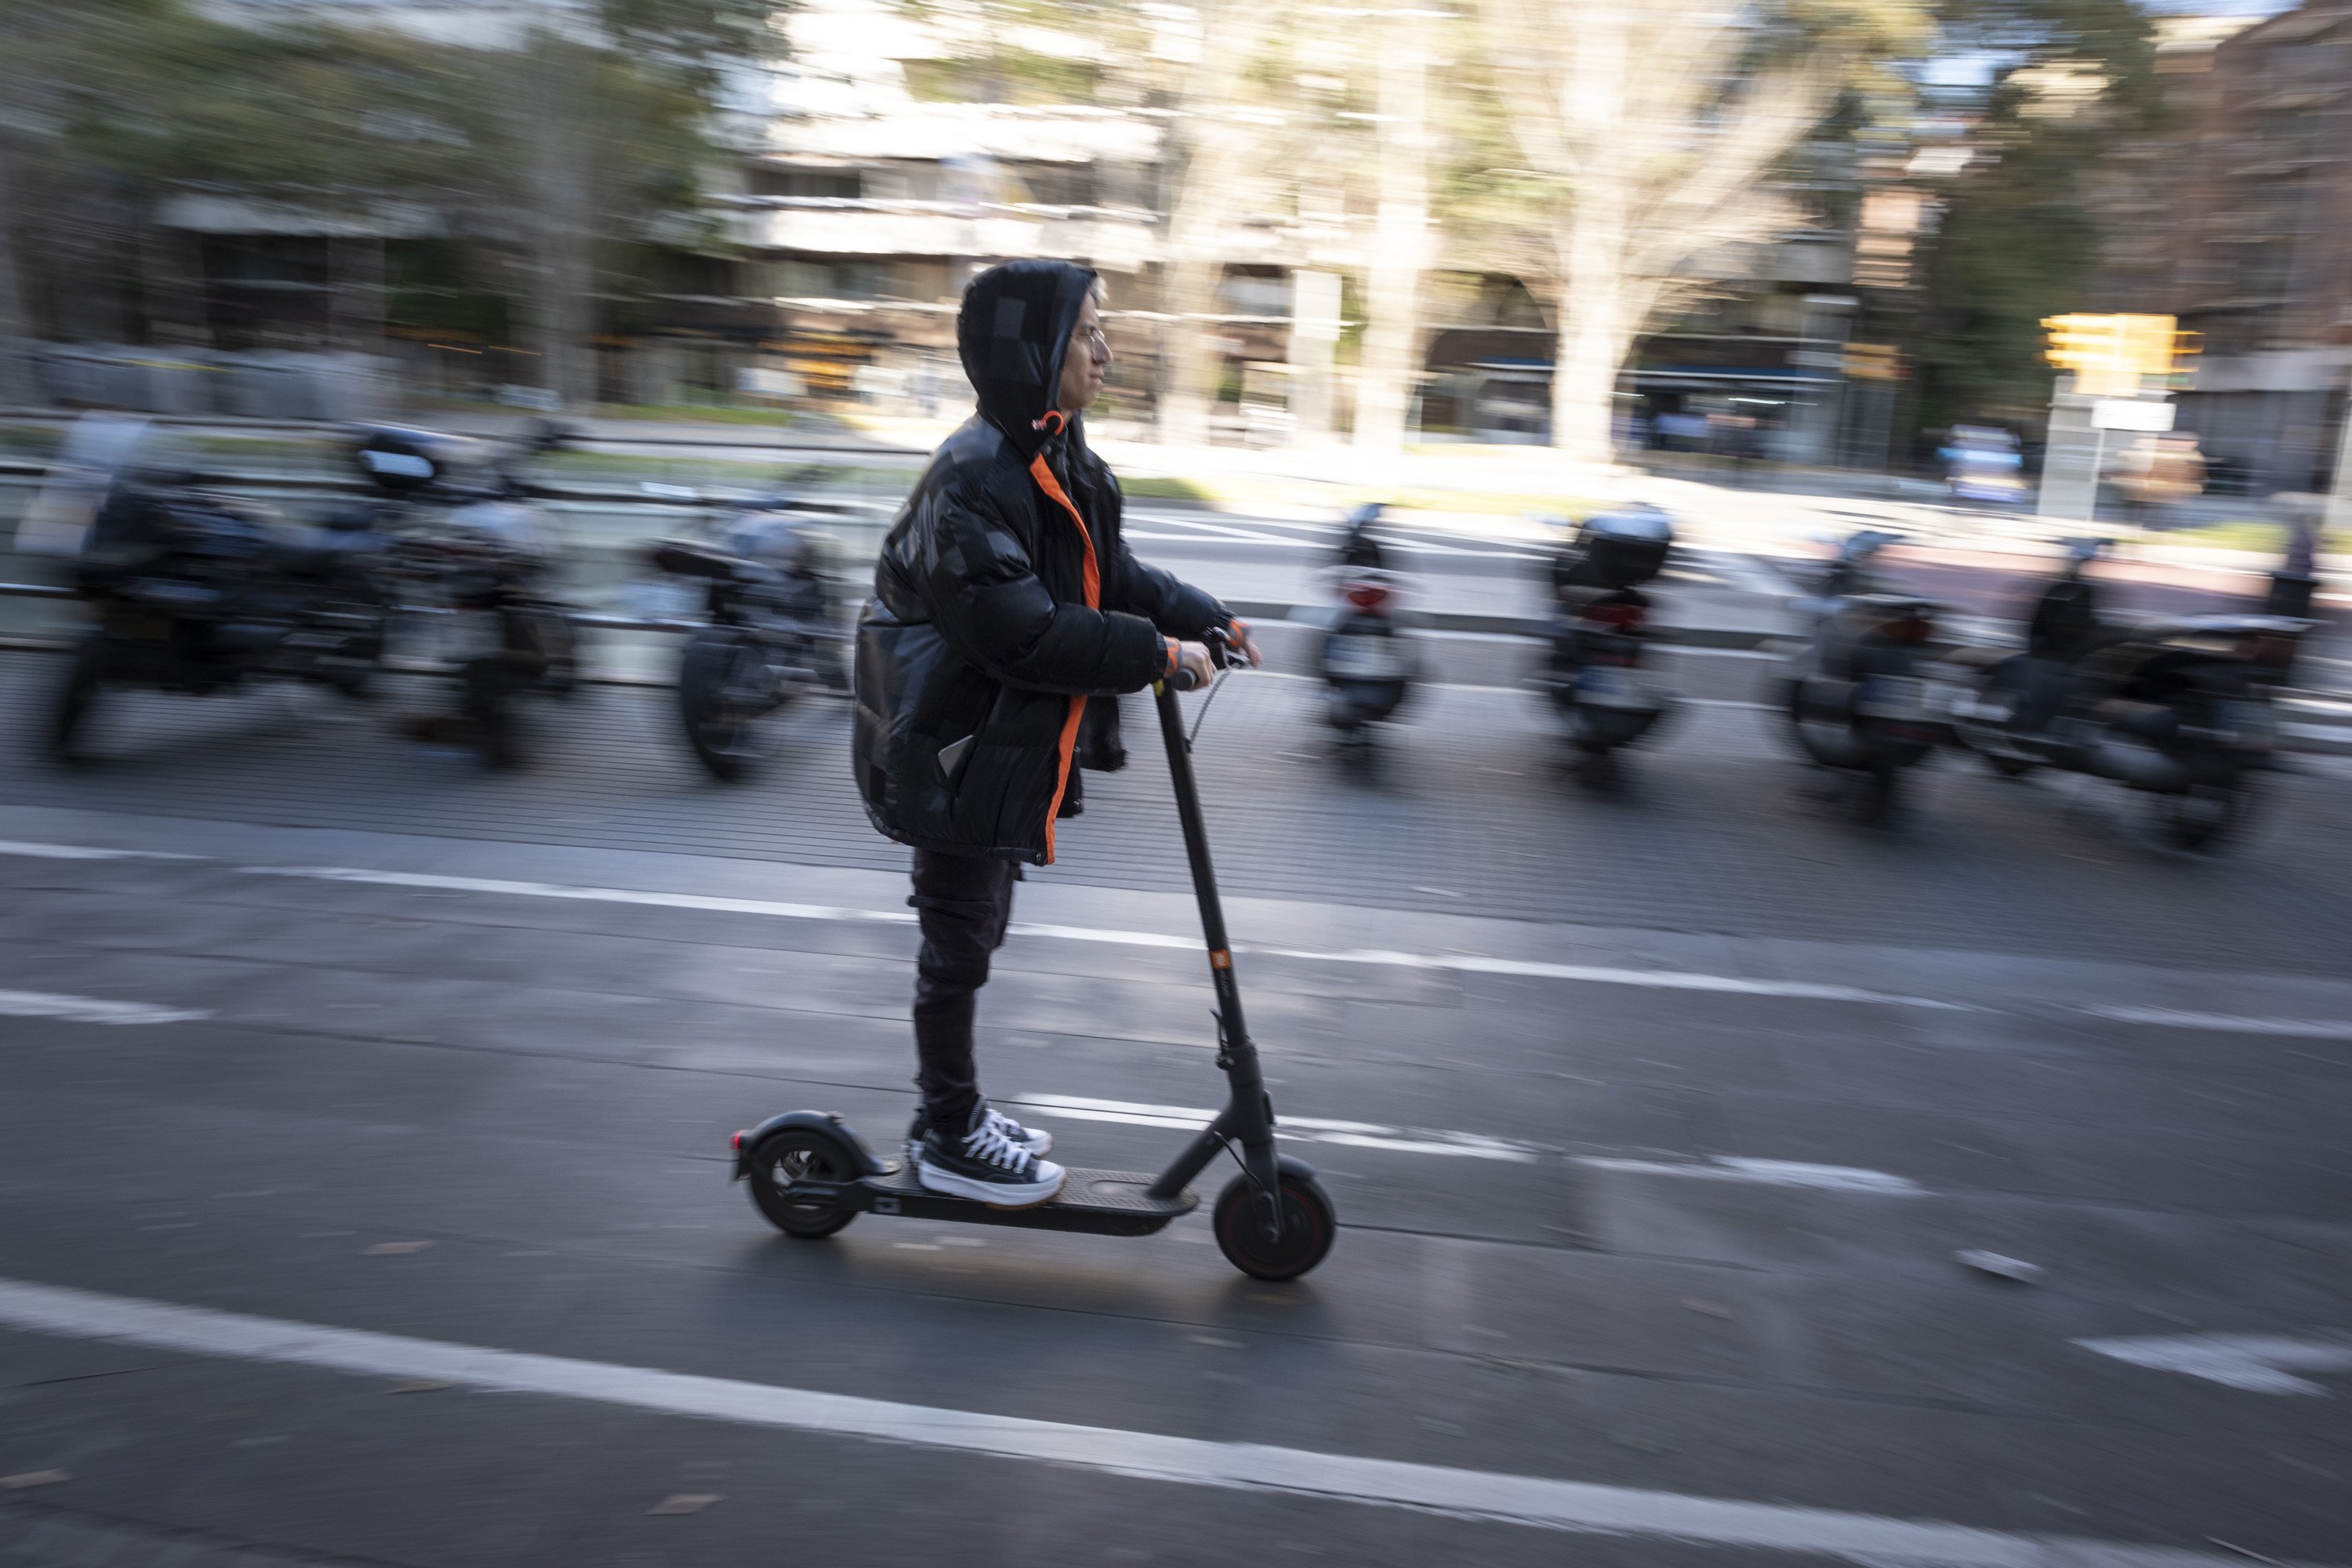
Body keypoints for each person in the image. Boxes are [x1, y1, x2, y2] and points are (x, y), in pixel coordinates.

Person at [851, 260, 1258, 1207]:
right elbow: (1021, 628)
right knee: (957, 943)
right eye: (1087, 333)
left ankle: (947, 1113)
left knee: (976, 934)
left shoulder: (1048, 450)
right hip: (946, 746)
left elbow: (1103, 569)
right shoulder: (973, 479)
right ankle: (947, 1134)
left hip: (990, 743)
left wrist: (1204, 617)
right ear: (1030, 349)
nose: (1106, 351)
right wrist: (1154, 653)